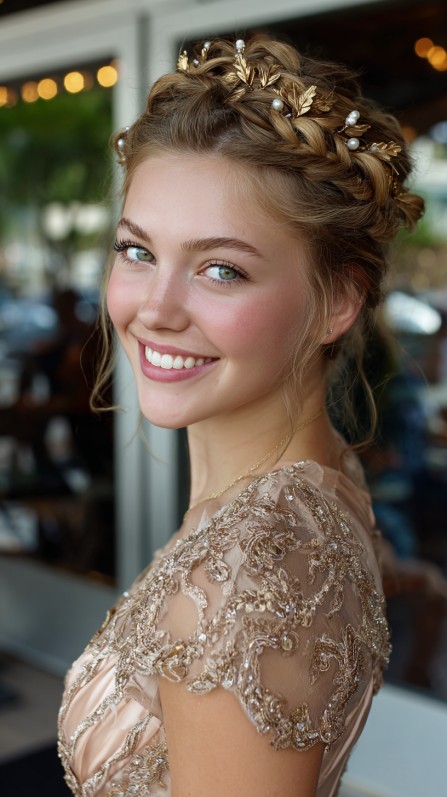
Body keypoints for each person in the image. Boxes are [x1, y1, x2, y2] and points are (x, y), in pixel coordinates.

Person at [57, 37, 424, 797]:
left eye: (220, 268)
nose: (154, 310)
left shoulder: (239, 579)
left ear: (337, 300)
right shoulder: (318, 484)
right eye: (137, 251)